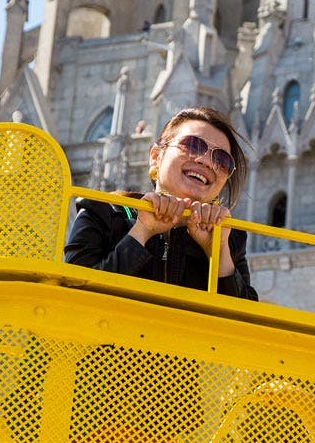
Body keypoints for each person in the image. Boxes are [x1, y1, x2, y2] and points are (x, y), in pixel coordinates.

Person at [65, 105, 256, 300]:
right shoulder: (102, 211)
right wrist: (142, 231)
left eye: (222, 160)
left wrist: (219, 252)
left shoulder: (230, 238)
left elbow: (245, 324)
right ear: (156, 157)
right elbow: (72, 294)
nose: (206, 162)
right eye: (192, 145)